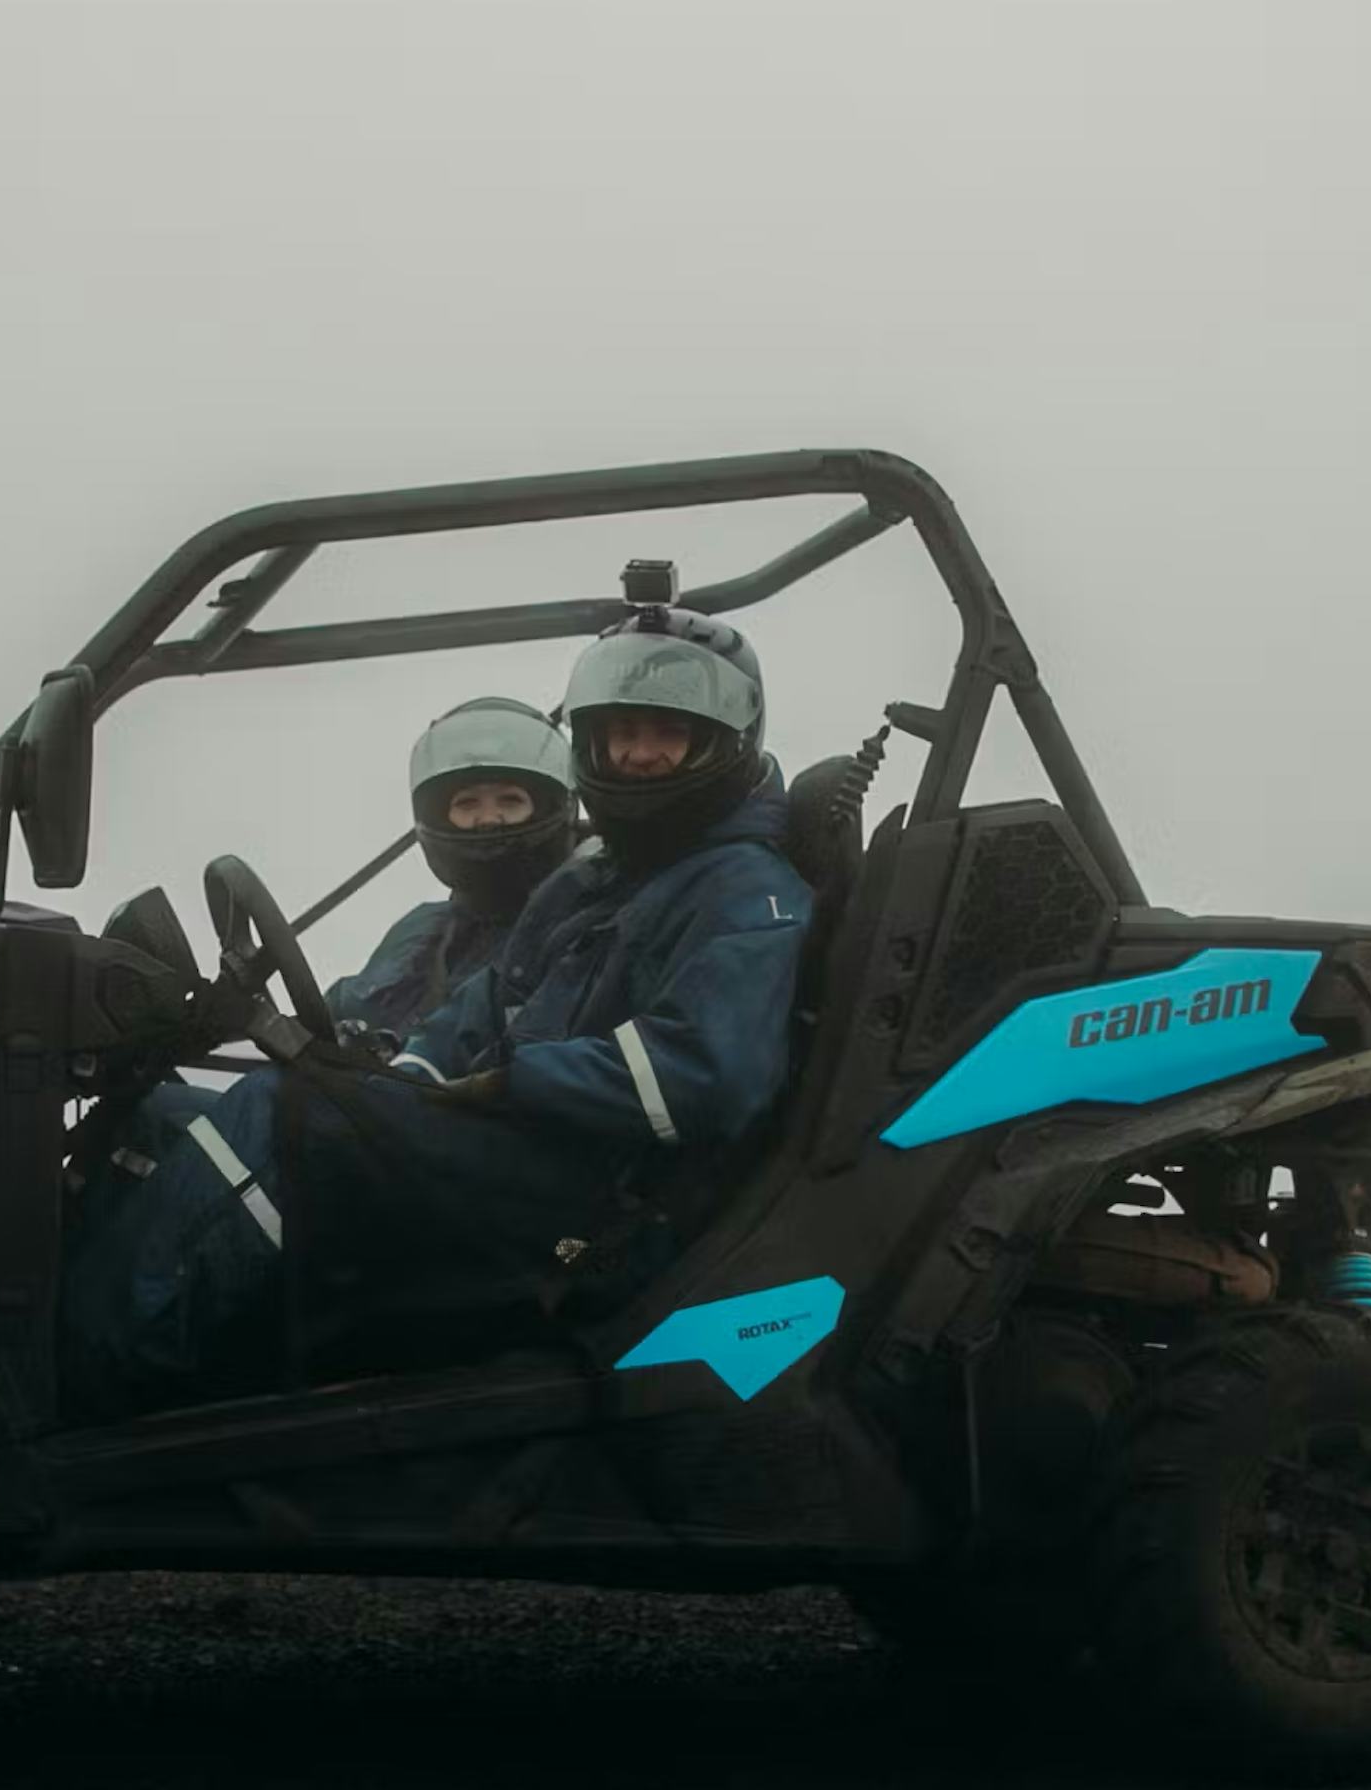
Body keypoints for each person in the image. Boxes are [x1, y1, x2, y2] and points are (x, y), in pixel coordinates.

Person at [59, 604, 811, 1419]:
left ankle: (88, 1385)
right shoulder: (599, 880)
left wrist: (515, 1083)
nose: (635, 753)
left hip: (593, 1203)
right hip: (523, 1154)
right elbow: (484, 1006)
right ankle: (118, 1355)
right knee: (161, 1117)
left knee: (281, 1115)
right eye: (620, 730)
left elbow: (709, 1073)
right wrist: (399, 1085)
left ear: (722, 741)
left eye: (664, 732)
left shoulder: (745, 888)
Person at [321, 696, 573, 1041]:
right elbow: (343, 1009)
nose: (488, 819)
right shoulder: (423, 928)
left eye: (510, 801)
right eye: (467, 803)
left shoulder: (575, 929)